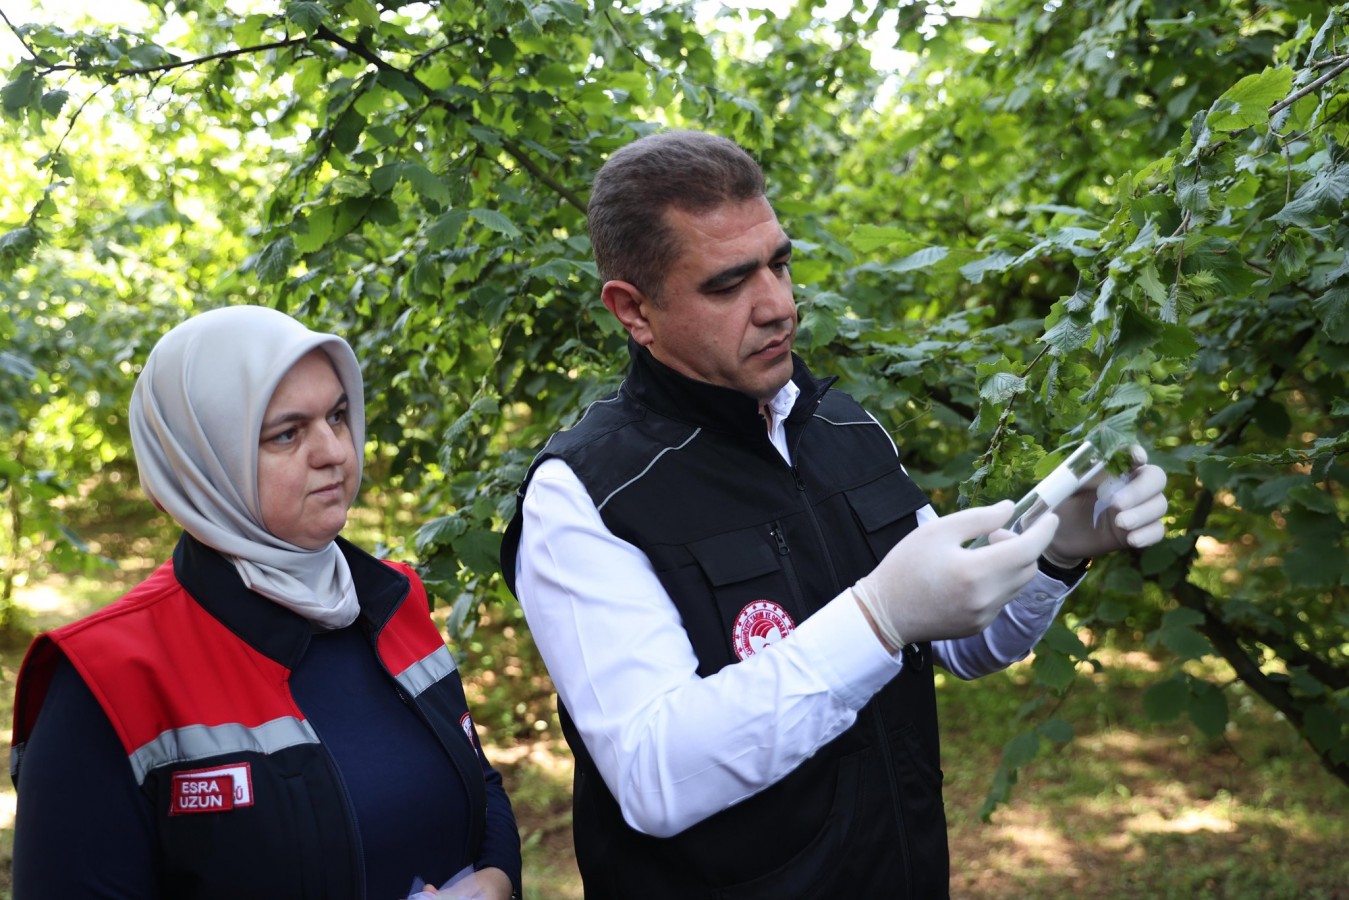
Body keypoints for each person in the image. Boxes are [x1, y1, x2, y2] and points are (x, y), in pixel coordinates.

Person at [499, 130, 1168, 898]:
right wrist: (876, 618)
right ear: (633, 310)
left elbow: (961, 645)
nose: (778, 306)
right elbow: (655, 775)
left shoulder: (845, 429)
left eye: (779, 264)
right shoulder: (585, 494)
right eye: (727, 284)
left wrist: (1057, 546)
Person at [11, 305, 523, 900]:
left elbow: (478, 782)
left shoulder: (391, 599)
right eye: (287, 433)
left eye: (337, 416)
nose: (335, 451)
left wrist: (493, 882)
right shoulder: (106, 680)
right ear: (202, 464)